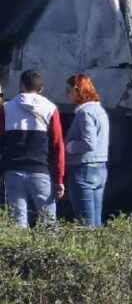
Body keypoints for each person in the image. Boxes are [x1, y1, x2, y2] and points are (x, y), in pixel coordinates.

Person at [0, 69, 65, 227]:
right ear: (41, 89)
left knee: (18, 222)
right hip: (40, 171)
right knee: (49, 223)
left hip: (13, 172)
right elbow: (57, 145)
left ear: (21, 85)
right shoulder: (50, 108)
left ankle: (19, 251)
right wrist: (59, 179)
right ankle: (51, 252)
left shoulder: (6, 108)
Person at [65, 74, 110, 227]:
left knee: (85, 223)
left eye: (69, 90)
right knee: (96, 221)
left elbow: (89, 143)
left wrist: (69, 147)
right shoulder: (100, 111)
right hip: (100, 168)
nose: (67, 94)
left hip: (84, 169)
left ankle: (88, 249)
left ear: (78, 90)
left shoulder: (85, 112)